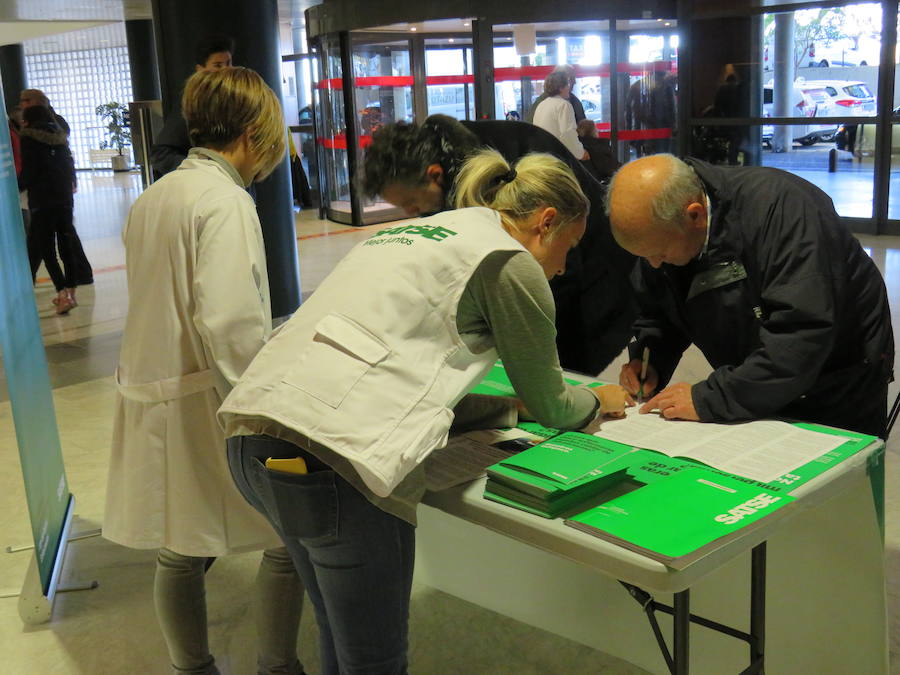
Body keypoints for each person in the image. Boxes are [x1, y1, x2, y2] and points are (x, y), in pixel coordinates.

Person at [219, 148, 632, 674]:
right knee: (375, 662)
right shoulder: (510, 262)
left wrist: (507, 410)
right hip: (339, 465)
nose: (563, 268)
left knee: (337, 636)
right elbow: (556, 406)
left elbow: (396, 369)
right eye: (567, 249)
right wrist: (601, 398)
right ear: (546, 222)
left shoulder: (424, 232)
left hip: (254, 437)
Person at [102, 67, 306, 675]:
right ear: (251, 136)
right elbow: (229, 323)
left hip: (156, 391)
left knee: (177, 547)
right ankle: (277, 665)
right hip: (207, 398)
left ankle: (191, 667)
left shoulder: (156, 194)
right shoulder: (224, 201)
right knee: (284, 539)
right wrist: (267, 406)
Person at [606, 154, 894, 438]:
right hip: (761, 370)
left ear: (695, 215)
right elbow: (660, 309)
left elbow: (802, 334)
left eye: (660, 253)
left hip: (838, 374)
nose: (654, 264)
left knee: (835, 476)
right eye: (644, 257)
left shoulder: (783, 211)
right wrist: (650, 359)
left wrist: (712, 398)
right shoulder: (664, 227)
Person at [360, 114, 638, 375]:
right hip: (555, 267)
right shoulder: (449, 168)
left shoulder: (505, 167)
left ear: (434, 175)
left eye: (411, 203)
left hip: (592, 276)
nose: (413, 213)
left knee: (559, 373)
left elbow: (553, 266)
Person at [20, 88, 93, 286]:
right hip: (55, 191)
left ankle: (65, 284)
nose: (22, 104)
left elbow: (61, 156)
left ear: (38, 102)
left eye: (26, 100)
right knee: (51, 236)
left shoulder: (40, 126)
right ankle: (74, 279)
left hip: (45, 191)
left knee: (48, 240)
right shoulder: (53, 123)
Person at [18, 105, 79, 314]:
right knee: (66, 243)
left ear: (28, 120)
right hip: (64, 196)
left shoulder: (28, 138)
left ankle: (62, 294)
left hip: (43, 199)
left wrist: (17, 186)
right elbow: (68, 162)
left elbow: (31, 169)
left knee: (47, 248)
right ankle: (71, 293)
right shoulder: (59, 135)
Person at [149, 33, 234, 177]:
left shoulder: (235, 99)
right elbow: (161, 154)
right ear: (200, 69)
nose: (226, 70)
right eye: (218, 65)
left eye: (229, 63)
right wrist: (201, 171)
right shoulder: (193, 104)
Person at [531, 69, 588, 160]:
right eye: (567, 84)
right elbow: (568, 135)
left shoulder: (541, 105)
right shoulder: (563, 105)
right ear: (561, 87)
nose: (569, 87)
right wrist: (581, 153)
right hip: (557, 157)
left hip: (541, 156)